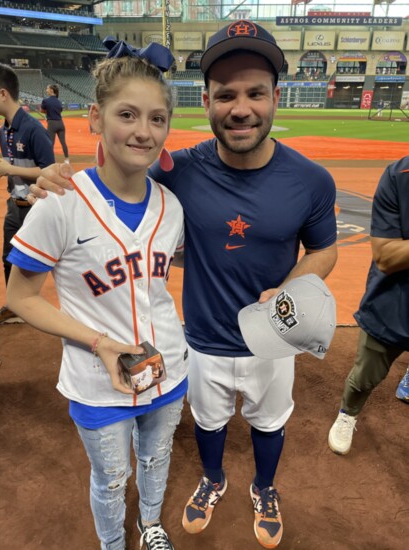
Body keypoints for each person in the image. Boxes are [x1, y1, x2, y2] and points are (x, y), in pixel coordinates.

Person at [29, 21, 338, 549]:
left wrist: (291, 288)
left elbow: (326, 249)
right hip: (200, 341)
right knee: (210, 423)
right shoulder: (180, 171)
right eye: (226, 95)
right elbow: (118, 174)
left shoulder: (311, 180)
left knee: (269, 424)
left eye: (255, 93)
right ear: (208, 100)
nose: (241, 108)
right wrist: (55, 180)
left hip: (273, 340)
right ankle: (213, 480)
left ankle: (265, 488)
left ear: (275, 97)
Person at [6, 39, 188, 550]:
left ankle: (150, 525)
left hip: (168, 367)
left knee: (155, 458)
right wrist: (99, 341)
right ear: (95, 116)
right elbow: (19, 297)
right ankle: (113, 545)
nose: (144, 131)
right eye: (127, 114)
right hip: (96, 380)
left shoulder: (172, 207)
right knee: (110, 479)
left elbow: (154, 288)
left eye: (157, 119)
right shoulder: (61, 202)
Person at [328, 156, 409, 456]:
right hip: (393, 302)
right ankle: (348, 413)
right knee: (365, 376)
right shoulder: (399, 175)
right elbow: (386, 256)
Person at [0, 61, 55, 325]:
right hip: (14, 205)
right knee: (9, 258)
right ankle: (15, 306)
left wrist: (9, 167)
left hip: (35, 207)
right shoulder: (3, 130)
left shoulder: (32, 128)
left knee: (41, 263)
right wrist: (7, 170)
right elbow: (15, 167)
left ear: (2, 93)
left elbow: (50, 170)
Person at [41, 84, 69, 163]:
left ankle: (50, 161)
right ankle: (67, 160)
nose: (46, 90)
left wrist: (48, 112)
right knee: (63, 142)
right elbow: (60, 111)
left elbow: (42, 111)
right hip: (60, 123)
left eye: (47, 88)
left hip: (52, 123)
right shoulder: (59, 102)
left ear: (51, 90)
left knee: (50, 143)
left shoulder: (45, 101)